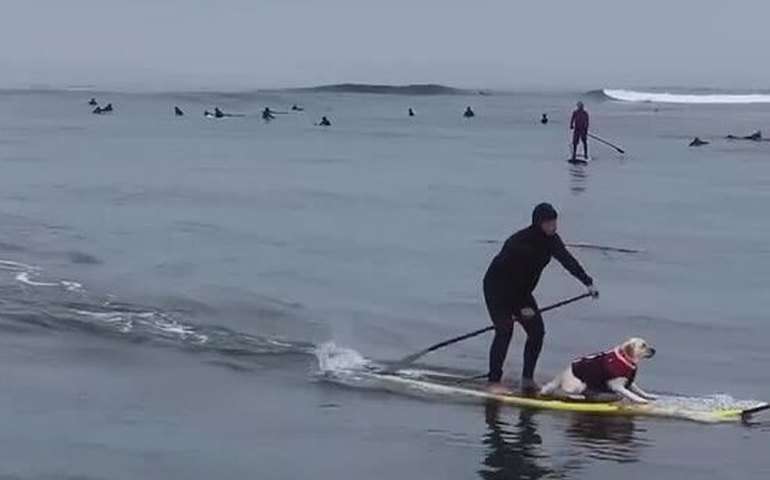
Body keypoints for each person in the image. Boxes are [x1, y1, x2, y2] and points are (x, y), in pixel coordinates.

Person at [483, 203, 598, 395]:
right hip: (498, 289)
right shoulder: (519, 242)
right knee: (505, 331)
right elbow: (508, 275)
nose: (554, 226)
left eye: (555, 222)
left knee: (537, 332)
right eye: (549, 223)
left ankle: (527, 380)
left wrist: (588, 282)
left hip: (521, 293)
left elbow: (567, 260)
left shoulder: (552, 241)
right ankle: (493, 382)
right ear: (539, 223)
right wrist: (521, 310)